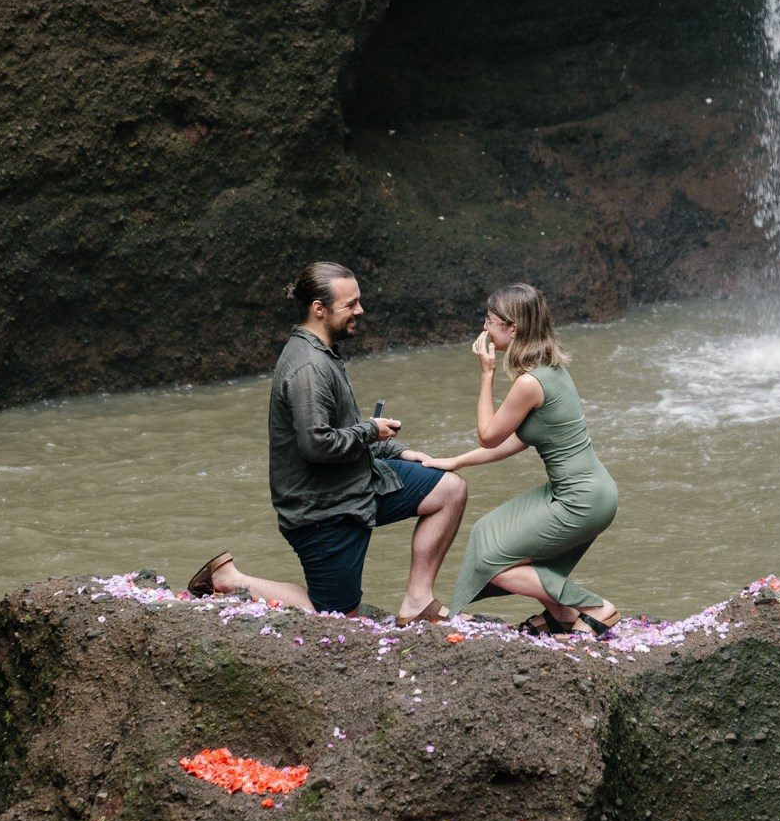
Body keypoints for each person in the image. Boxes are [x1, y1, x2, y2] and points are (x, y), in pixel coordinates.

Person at [188, 261, 466, 623]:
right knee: (336, 616)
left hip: (356, 485)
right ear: (319, 309)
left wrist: (398, 450)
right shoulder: (309, 367)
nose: (360, 311)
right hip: (322, 509)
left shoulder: (322, 353)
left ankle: (417, 600)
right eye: (350, 305)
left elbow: (341, 432)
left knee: (450, 490)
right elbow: (318, 445)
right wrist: (371, 430)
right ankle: (229, 579)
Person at [411, 283, 621, 637]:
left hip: (581, 499)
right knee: (487, 534)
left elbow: (488, 434)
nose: (485, 329)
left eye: (490, 321)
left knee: (494, 563)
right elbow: (517, 440)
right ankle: (561, 616)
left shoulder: (529, 383)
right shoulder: (549, 368)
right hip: (586, 490)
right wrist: (456, 462)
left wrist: (487, 374)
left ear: (513, 328)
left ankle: (592, 607)